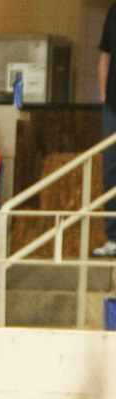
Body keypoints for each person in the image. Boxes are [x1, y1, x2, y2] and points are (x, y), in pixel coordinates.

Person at [94, 1, 116, 257]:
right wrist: (103, 96)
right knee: (111, 171)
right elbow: (105, 54)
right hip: (112, 104)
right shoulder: (113, 11)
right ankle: (113, 237)